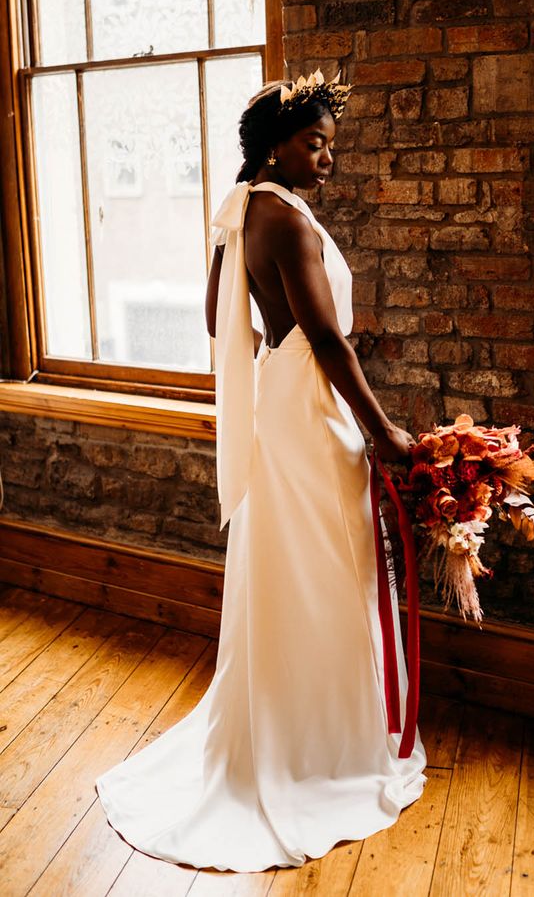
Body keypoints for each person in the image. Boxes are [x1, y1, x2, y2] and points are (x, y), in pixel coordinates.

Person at [95, 70, 427, 872]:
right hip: (311, 414)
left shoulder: (241, 210)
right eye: (316, 144)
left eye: (329, 146)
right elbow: (329, 339)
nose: (327, 159)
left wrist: (270, 371)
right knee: (328, 568)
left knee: (295, 565)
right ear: (276, 145)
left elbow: (220, 321)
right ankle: (319, 750)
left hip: (280, 409)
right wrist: (383, 432)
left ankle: (289, 730)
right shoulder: (287, 221)